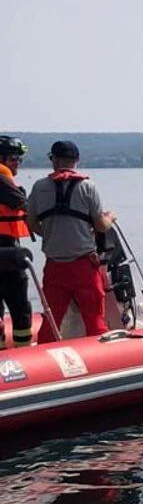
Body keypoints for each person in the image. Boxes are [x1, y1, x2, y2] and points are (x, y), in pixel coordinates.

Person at [28, 141, 116, 342]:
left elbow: (31, 223)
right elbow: (101, 225)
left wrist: (50, 234)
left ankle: (45, 364)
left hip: (54, 267)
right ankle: (101, 362)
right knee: (94, 319)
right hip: (84, 265)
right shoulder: (87, 187)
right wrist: (111, 217)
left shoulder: (39, 186)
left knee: (51, 321)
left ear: (54, 160)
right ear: (76, 161)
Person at [0, 136, 33, 347]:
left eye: (19, 159)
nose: (17, 163)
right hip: (5, 251)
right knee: (20, 308)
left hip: (6, 245)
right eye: (13, 158)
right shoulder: (2, 179)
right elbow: (25, 205)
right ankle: (24, 356)